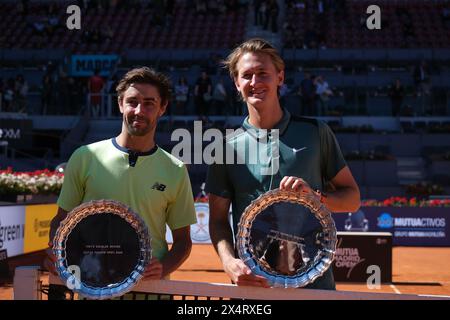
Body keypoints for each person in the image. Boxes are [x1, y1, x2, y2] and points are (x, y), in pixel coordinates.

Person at [206, 38, 360, 290]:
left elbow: (352, 198)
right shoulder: (225, 147)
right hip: (253, 286)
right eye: (246, 76)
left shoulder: (315, 132)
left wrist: (315, 198)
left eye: (263, 73)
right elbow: (218, 220)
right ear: (236, 83)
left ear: (280, 77)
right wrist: (228, 261)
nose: (254, 82)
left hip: (313, 285)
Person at [44, 67, 197, 298]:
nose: (139, 110)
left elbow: (183, 242)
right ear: (120, 104)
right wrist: (57, 252)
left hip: (151, 292)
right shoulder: (84, 157)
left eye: (149, 103)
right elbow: (61, 220)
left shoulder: (175, 169)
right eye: (132, 102)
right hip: (93, 287)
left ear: (162, 108)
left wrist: (163, 268)